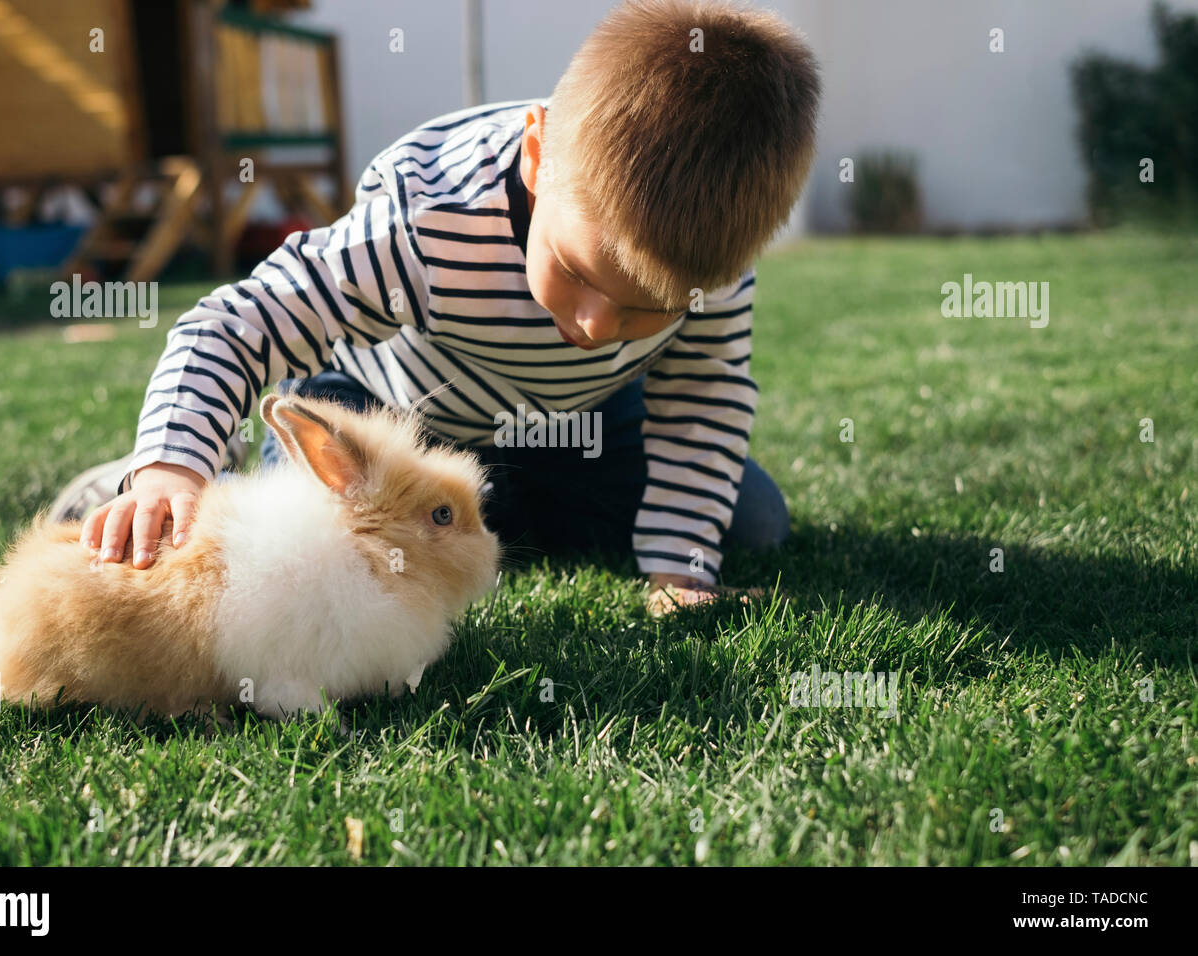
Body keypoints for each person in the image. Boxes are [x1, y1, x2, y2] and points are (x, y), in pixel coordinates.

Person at [51, 0, 820, 615]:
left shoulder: (711, 263)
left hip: (575, 423)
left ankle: (500, 503)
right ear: (537, 155)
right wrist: (171, 466)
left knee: (751, 521)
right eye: (578, 274)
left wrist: (678, 567)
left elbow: (700, 403)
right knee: (313, 548)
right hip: (387, 422)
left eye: (642, 311)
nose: (594, 327)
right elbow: (238, 324)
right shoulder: (428, 217)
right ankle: (156, 475)